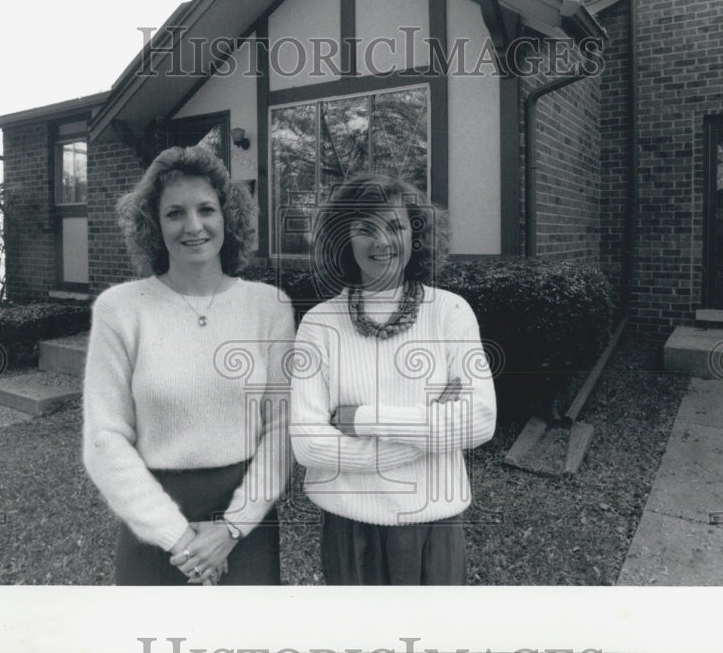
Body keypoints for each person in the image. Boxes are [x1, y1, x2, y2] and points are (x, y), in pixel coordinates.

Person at [83, 145, 294, 585]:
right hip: (153, 523)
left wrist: (233, 527)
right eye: (175, 213)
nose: (193, 226)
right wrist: (177, 537)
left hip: (245, 522)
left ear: (227, 217)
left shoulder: (268, 306)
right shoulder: (121, 309)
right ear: (153, 225)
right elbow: (105, 437)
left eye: (206, 209)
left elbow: (282, 428)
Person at [290, 172, 497, 585]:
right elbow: (307, 443)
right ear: (342, 239)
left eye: (396, 226)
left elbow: (479, 420)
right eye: (366, 227)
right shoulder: (318, 324)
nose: (382, 241)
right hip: (349, 528)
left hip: (432, 524)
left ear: (415, 235)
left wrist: (359, 420)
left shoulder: (450, 312)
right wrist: (426, 432)